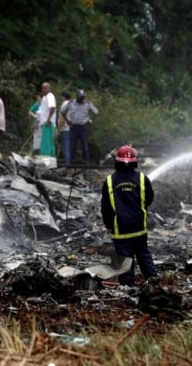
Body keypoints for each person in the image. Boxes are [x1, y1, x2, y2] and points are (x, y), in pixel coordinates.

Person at [101, 145, 157, 286]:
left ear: (117, 161)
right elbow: (149, 199)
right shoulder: (143, 179)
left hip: (120, 228)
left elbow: (105, 207)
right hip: (139, 226)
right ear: (135, 161)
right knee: (143, 254)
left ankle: (127, 286)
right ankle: (154, 280)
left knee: (124, 257)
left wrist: (109, 224)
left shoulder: (109, 181)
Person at [61, 89, 98, 164]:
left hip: (83, 127)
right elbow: (63, 112)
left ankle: (85, 162)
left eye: (83, 97)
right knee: (72, 146)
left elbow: (96, 112)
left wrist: (90, 121)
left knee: (84, 145)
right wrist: (67, 121)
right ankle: (72, 162)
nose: (81, 99)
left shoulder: (87, 103)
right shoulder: (71, 103)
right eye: (80, 97)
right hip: (73, 126)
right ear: (77, 96)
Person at [38, 82, 57, 157]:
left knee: (46, 144)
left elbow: (52, 107)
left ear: (49, 88)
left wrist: (48, 119)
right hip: (45, 123)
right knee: (49, 143)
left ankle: (46, 159)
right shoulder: (45, 97)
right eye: (42, 88)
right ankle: (51, 160)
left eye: (45, 88)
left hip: (48, 123)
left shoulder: (50, 96)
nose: (43, 90)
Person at [58, 91, 72, 164]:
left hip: (65, 128)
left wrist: (58, 129)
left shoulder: (64, 105)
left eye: (61, 96)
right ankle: (68, 162)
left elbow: (62, 118)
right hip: (71, 128)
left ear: (63, 96)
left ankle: (67, 164)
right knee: (68, 147)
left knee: (65, 147)